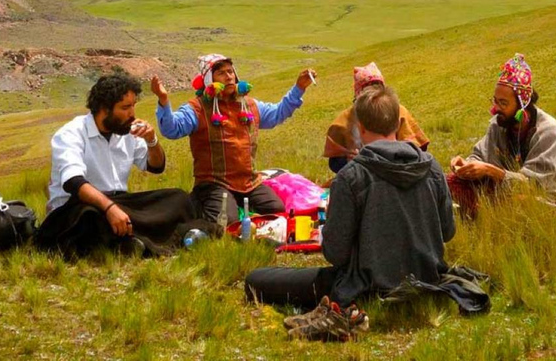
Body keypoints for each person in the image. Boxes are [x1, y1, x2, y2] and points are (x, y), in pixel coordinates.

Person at [245, 86, 469, 340]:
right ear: (398, 122)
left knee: (256, 279)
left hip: (367, 287)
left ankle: (346, 314)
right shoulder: (433, 168)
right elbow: (448, 232)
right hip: (428, 278)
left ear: (360, 128)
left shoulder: (351, 177)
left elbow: (336, 254)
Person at [37, 72, 217, 257]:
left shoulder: (127, 131)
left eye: (133, 106)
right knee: (90, 218)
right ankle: (144, 241)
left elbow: (156, 166)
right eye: (125, 107)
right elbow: (73, 182)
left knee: (178, 198)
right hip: (75, 207)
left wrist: (151, 140)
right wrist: (109, 208)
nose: (132, 114)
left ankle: (130, 243)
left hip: (120, 202)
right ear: (104, 109)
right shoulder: (71, 133)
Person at [151, 54, 315, 223]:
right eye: (221, 73)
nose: (229, 76)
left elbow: (277, 114)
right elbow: (172, 129)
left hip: (249, 182)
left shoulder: (249, 105)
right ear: (209, 79)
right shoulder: (197, 108)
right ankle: (202, 206)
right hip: (214, 183)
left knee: (276, 210)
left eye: (230, 71)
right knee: (227, 222)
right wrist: (163, 101)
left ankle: (239, 209)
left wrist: (299, 88)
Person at [448, 53, 556, 217]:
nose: (496, 108)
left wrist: (490, 171)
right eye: (495, 101)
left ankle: (482, 216)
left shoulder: (548, 132)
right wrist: (467, 165)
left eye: (503, 103)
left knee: (514, 201)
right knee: (447, 182)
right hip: (507, 190)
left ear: (523, 105)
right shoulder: (499, 123)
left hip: (548, 200)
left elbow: (532, 185)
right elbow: (480, 155)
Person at [324, 62, 428, 174]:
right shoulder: (344, 121)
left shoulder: (399, 111)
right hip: (360, 177)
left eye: (377, 89)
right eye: (368, 92)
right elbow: (334, 163)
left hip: (399, 172)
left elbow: (417, 150)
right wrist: (350, 160)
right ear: (359, 94)